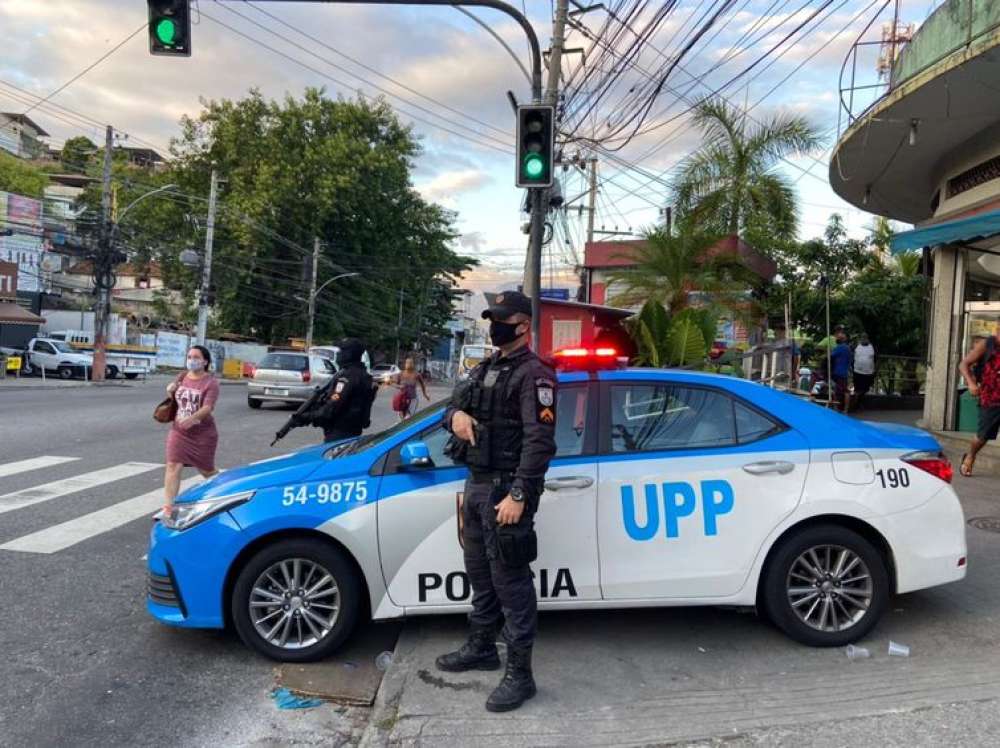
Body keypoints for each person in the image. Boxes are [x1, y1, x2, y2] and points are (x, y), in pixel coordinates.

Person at [435, 290, 557, 713]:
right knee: (479, 572)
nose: (494, 326)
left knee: (511, 580)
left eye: (502, 319)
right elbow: (450, 405)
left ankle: (521, 675)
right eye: (493, 318)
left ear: (523, 325)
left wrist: (520, 494)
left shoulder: (534, 373)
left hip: (506, 489)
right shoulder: (487, 367)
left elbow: (540, 441)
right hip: (477, 483)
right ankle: (482, 647)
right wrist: (456, 417)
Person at [164, 345, 220, 512]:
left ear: (205, 361)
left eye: (196, 357)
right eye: (189, 357)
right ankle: (169, 507)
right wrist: (169, 390)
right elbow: (176, 398)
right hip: (179, 432)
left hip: (203, 435)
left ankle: (227, 489)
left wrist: (192, 418)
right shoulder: (182, 376)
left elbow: (208, 407)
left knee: (207, 471)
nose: (191, 360)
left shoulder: (211, 383)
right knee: (173, 465)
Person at [303, 338, 376, 443]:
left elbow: (333, 405)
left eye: (341, 351)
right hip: (351, 429)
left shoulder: (348, 377)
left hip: (340, 432)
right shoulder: (361, 374)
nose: (338, 354)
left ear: (349, 354)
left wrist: (308, 416)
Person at [958, 327, 1000, 476]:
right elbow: (963, 364)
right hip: (991, 398)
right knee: (982, 436)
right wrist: (971, 383)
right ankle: (971, 455)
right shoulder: (987, 345)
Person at [829, 326, 852, 413]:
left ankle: (835, 407)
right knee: (846, 391)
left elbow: (831, 356)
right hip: (845, 372)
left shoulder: (839, 348)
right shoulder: (848, 348)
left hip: (837, 372)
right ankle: (845, 409)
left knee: (835, 389)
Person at [852, 333, 877, 412]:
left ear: (868, 338)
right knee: (857, 389)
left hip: (868, 372)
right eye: (863, 337)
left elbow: (876, 358)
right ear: (861, 338)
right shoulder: (856, 346)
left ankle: (857, 401)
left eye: (865, 337)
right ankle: (857, 404)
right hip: (857, 371)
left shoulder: (872, 347)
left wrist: (875, 369)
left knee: (865, 389)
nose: (864, 339)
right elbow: (852, 356)